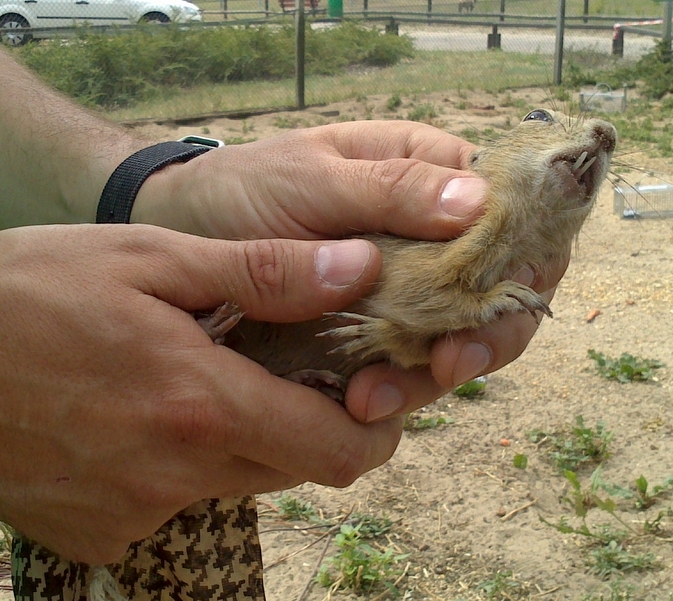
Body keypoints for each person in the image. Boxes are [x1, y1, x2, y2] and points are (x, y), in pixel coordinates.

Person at [0, 46, 566, 568]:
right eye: (541, 122)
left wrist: (145, 190)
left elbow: (403, 333)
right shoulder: (472, 237)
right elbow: (415, 301)